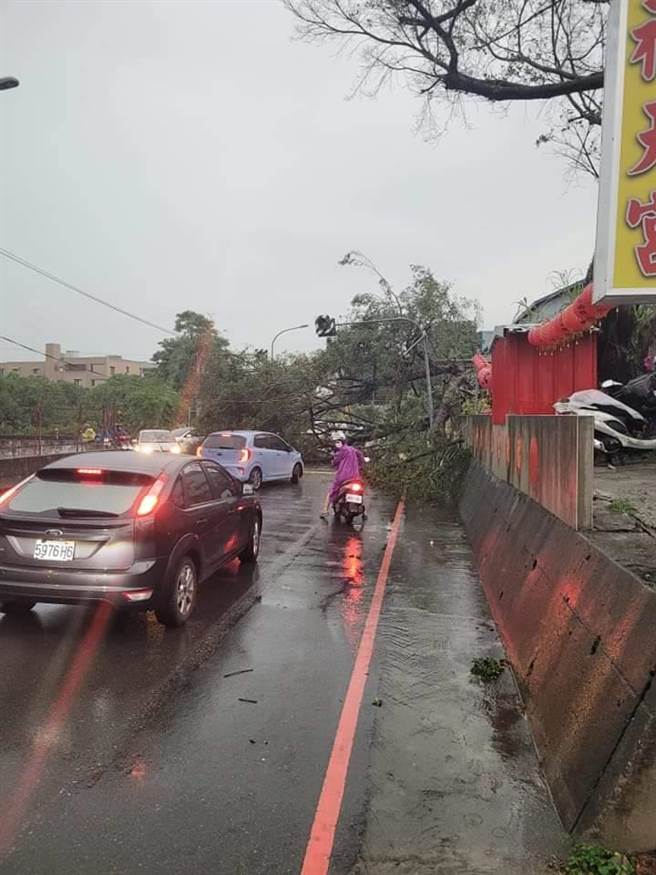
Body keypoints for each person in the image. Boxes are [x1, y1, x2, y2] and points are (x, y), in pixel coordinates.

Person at [320, 435, 365, 520]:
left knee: (331, 492)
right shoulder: (353, 449)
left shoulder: (341, 451)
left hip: (343, 477)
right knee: (361, 491)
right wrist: (361, 466)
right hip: (355, 476)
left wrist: (333, 461)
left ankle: (325, 510)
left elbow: (335, 462)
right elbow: (361, 456)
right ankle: (364, 513)